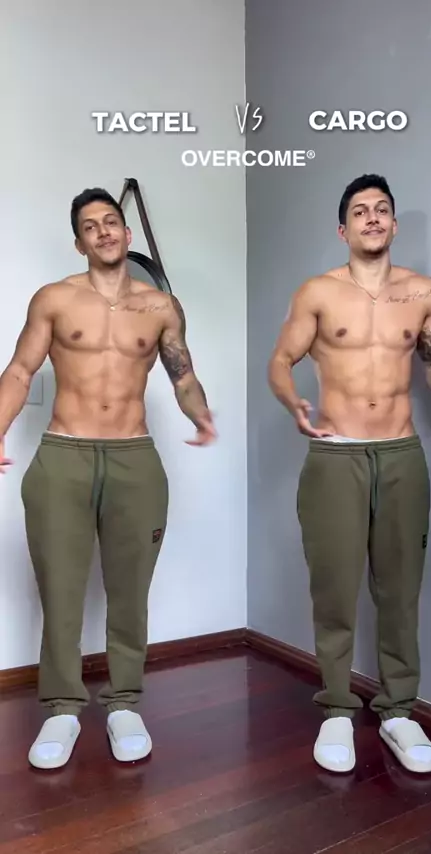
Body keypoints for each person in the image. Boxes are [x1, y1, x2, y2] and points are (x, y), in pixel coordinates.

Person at [267, 174, 431, 775]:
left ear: (393, 224)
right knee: (334, 588)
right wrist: (292, 401)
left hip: (401, 455)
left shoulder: (423, 293)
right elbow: (281, 360)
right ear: (343, 230)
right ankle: (337, 708)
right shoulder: (318, 292)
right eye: (360, 211)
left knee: (400, 590)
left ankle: (398, 712)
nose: (372, 218)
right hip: (336, 456)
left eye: (381, 209)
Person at [0, 187, 216, 770]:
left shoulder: (161, 307)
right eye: (90, 225)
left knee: (129, 589)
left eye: (111, 221)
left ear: (127, 232)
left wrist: (200, 413)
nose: (103, 230)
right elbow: (19, 370)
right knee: (60, 589)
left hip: (133, 458)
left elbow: (183, 374)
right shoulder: (54, 299)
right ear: (80, 242)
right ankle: (62, 709)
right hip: (63, 455)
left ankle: (124, 703)